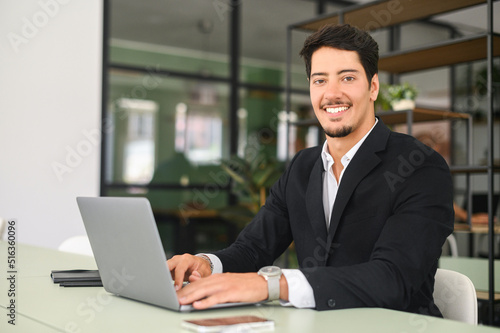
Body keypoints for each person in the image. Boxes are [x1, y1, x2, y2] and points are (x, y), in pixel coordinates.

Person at [167, 24, 454, 316]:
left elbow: (393, 279)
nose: (332, 94)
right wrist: (206, 263)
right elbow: (252, 249)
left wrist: (273, 284)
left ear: (373, 87)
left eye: (347, 77)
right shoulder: (301, 168)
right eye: (320, 81)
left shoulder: (420, 167)